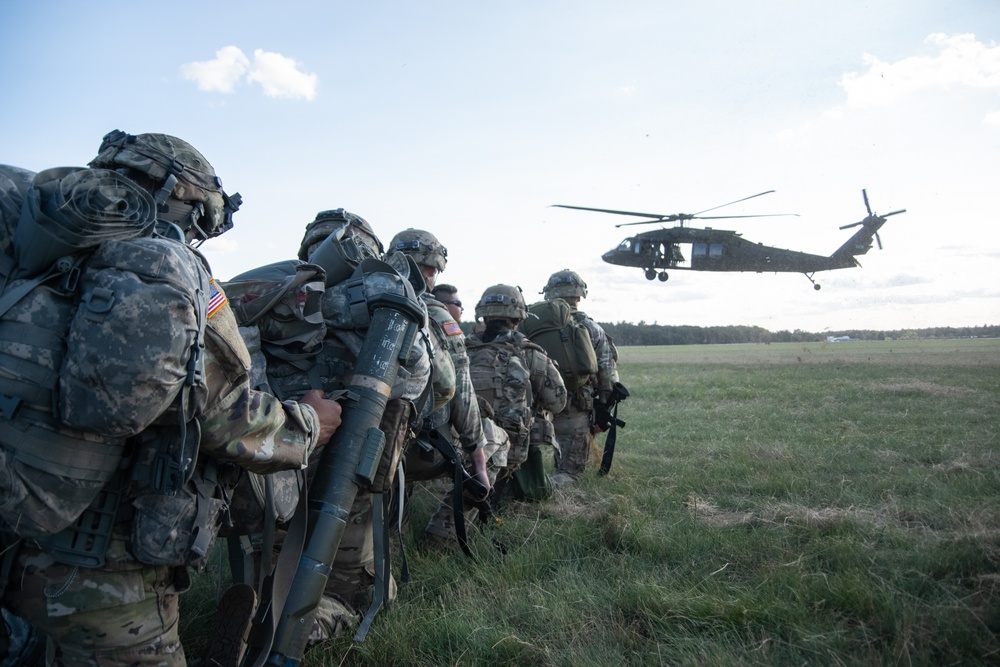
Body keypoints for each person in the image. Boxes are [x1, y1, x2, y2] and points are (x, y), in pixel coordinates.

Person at [0, 130, 342, 666]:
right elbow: (222, 415)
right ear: (183, 198)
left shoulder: (21, 239)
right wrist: (308, 424)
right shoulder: (161, 271)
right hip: (99, 565)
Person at [386, 229, 491, 547]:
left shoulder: (359, 299)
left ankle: (394, 535)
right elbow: (462, 390)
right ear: (430, 269)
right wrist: (479, 458)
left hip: (355, 440)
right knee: (499, 441)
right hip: (418, 447)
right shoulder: (435, 315)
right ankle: (440, 538)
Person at [465, 285, 566, 506]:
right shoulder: (529, 353)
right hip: (508, 450)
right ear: (519, 318)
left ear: (483, 315)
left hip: (460, 444)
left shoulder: (460, 348)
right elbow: (557, 401)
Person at [542, 269, 620, 487]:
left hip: (535, 406)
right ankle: (541, 492)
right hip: (575, 405)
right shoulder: (591, 328)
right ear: (579, 296)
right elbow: (606, 372)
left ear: (549, 295)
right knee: (571, 472)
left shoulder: (534, 326)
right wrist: (603, 407)